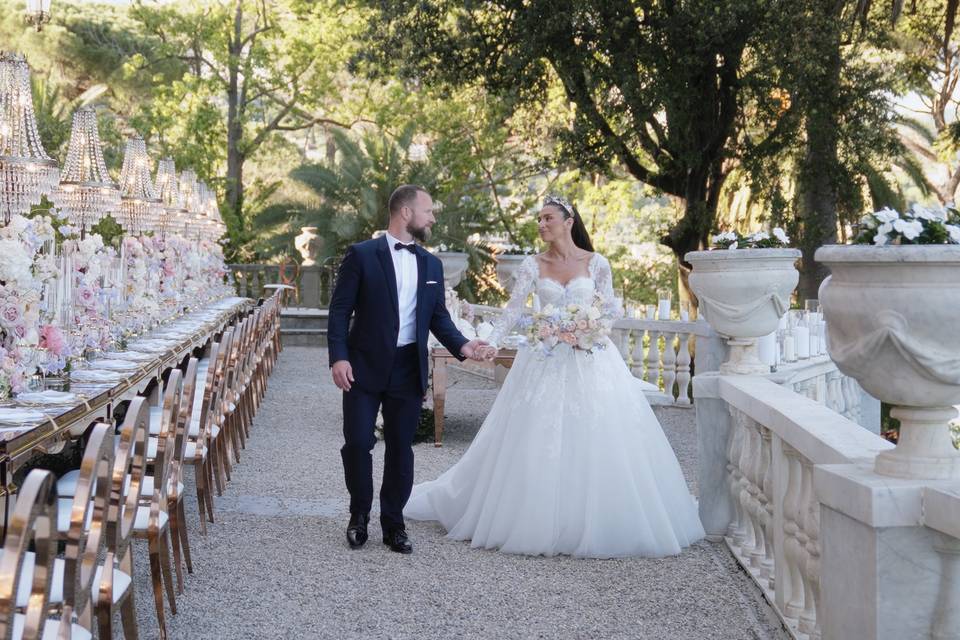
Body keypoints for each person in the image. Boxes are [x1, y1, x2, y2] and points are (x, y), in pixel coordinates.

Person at [405, 195, 705, 558]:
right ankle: (536, 518)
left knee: (599, 434)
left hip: (589, 358)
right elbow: (513, 312)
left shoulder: (597, 264)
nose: (542, 225)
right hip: (543, 360)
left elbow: (609, 310)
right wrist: (489, 344)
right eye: (539, 220)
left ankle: (596, 519)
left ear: (569, 220)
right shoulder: (533, 265)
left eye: (548, 218)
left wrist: (589, 331)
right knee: (536, 435)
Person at [328, 184, 490, 555]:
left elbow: (438, 318)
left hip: (408, 368)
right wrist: (339, 357)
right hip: (362, 368)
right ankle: (358, 516)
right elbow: (339, 311)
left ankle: (394, 524)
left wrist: (465, 346)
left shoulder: (431, 265)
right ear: (405, 213)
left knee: (401, 448)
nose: (433, 217)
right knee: (357, 443)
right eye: (428, 210)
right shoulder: (362, 255)